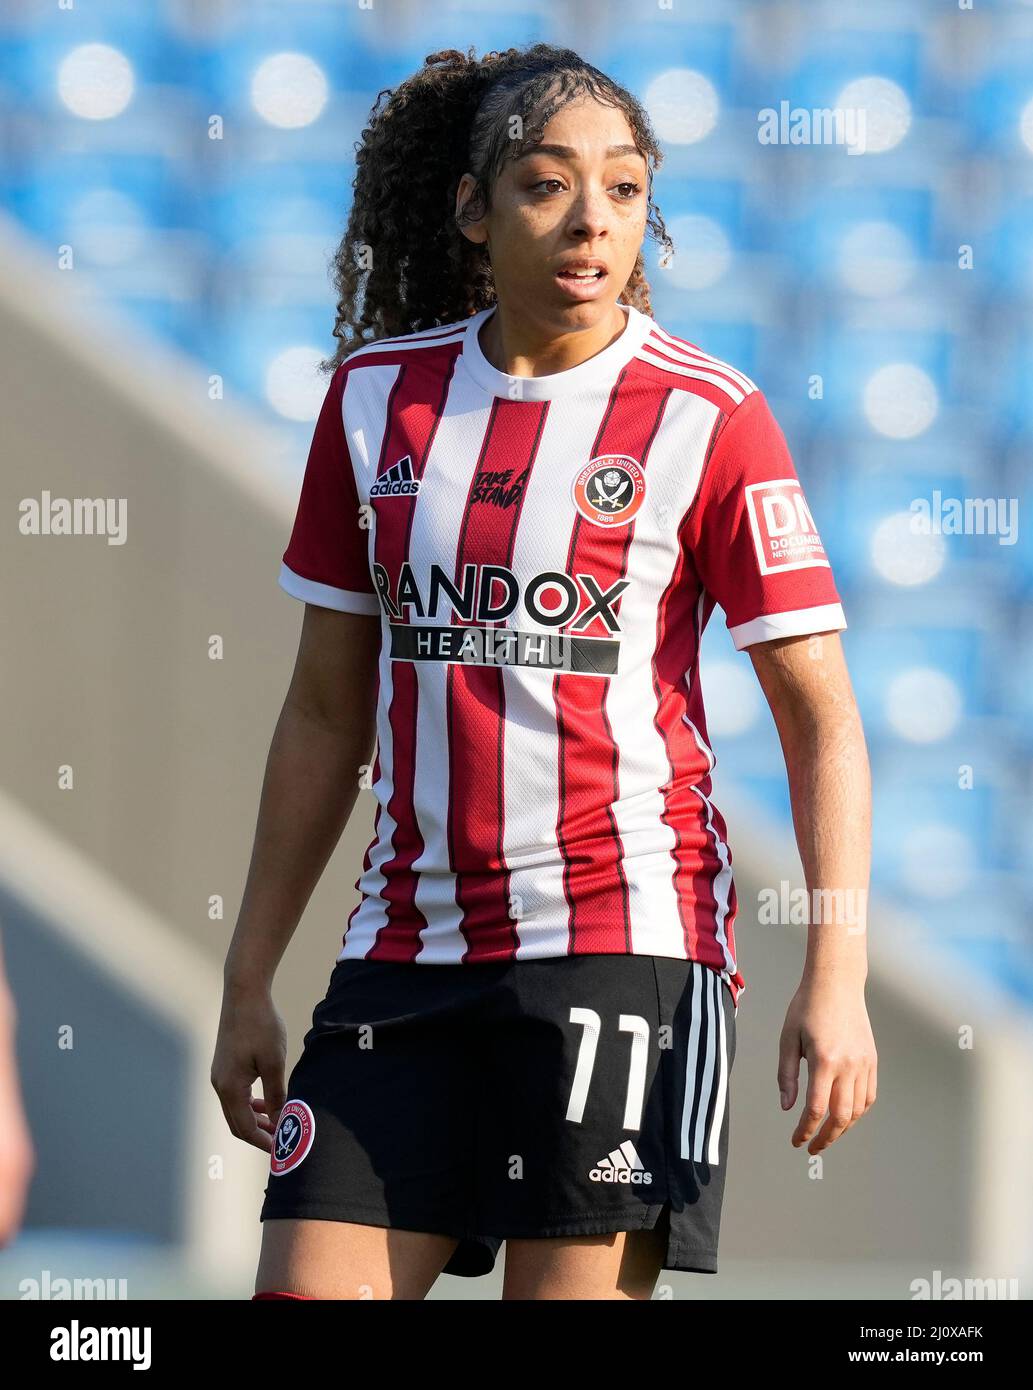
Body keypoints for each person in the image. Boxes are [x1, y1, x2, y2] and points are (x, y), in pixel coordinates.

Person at [211, 42, 876, 1301]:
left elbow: (822, 721)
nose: (590, 222)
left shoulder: (707, 414)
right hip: (402, 954)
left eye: (623, 190)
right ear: (472, 208)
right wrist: (249, 975)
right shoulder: (373, 404)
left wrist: (833, 974)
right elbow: (318, 711)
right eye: (544, 184)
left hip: (624, 944)